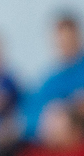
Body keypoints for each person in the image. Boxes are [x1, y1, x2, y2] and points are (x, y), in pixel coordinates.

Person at [19, 13, 84, 141]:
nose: (65, 45)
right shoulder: (50, 79)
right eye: (61, 41)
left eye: (69, 39)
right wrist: (50, 118)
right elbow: (28, 117)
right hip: (51, 145)